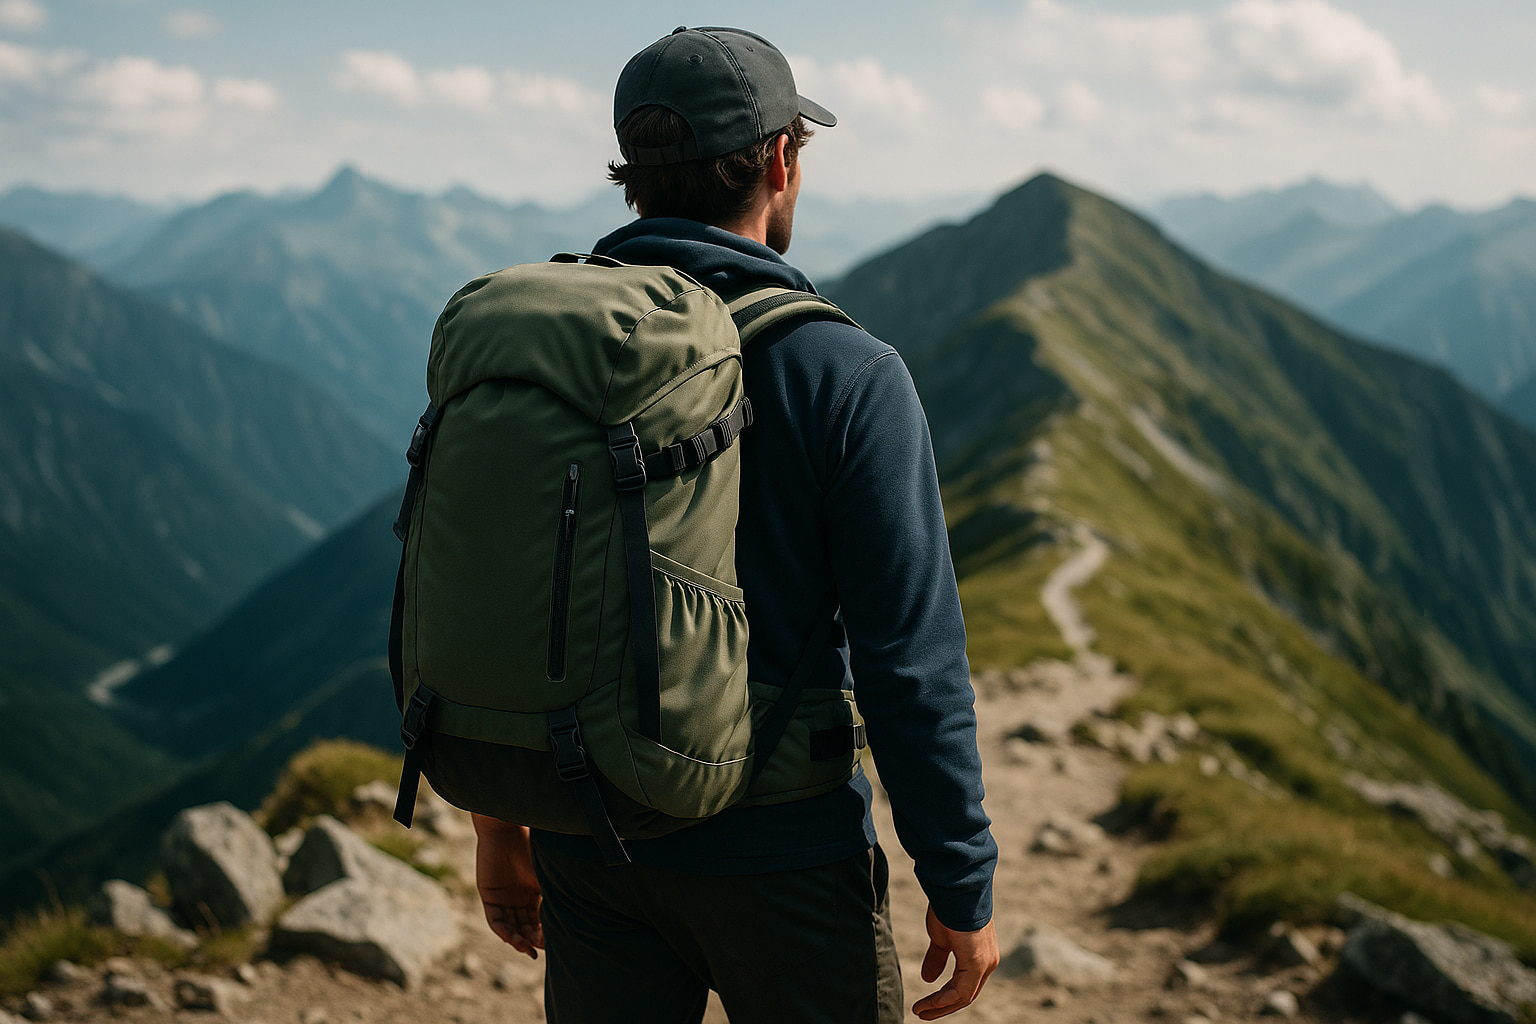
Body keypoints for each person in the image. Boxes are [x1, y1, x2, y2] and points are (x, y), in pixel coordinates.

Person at [471, 26, 999, 1024]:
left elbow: (499, 592)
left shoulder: (552, 355)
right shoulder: (846, 373)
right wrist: (960, 879)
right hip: (785, 852)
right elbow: (911, 664)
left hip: (590, 835)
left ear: (631, 175)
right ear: (780, 161)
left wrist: (504, 832)